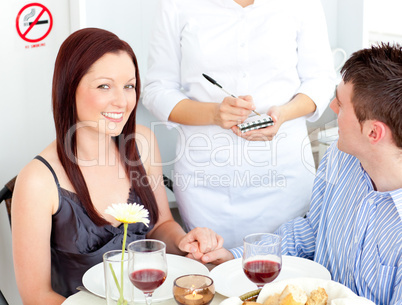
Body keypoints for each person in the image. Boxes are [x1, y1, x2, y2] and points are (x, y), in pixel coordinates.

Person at [11, 28, 223, 304]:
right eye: (104, 86)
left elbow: (160, 225)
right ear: (68, 88)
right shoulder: (37, 181)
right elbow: (36, 296)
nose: (122, 101)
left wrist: (183, 242)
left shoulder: (142, 143)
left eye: (129, 86)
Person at [202, 43, 402, 305]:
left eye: (341, 106)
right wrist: (236, 257)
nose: (331, 106)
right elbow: (311, 231)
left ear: (373, 133)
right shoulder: (339, 160)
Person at [142, 0, 336, 248]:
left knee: (286, 269)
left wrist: (284, 113)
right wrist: (213, 114)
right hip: (207, 184)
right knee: (212, 270)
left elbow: (320, 79)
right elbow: (157, 89)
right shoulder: (177, 5)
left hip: (285, 178)